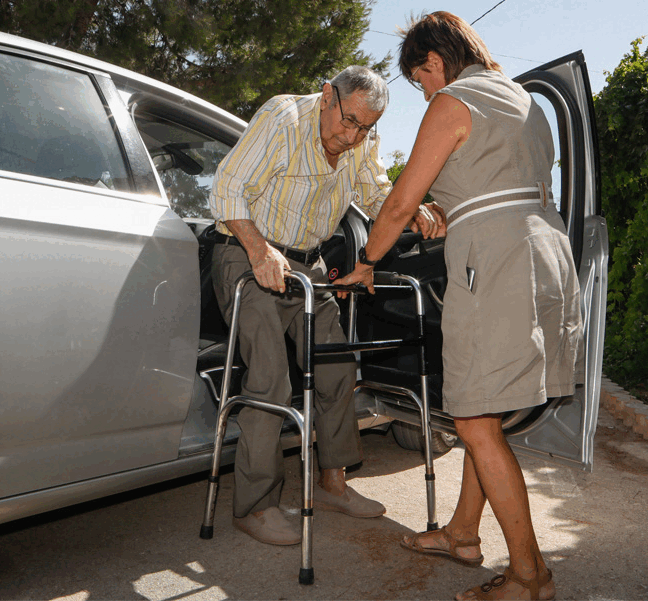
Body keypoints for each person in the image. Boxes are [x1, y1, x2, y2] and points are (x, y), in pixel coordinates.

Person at [335, 12, 582, 601]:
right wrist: (454, 211)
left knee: (472, 419)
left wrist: (366, 262)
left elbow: (400, 204)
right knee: (486, 410)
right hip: (548, 252)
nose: (425, 92)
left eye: (421, 79)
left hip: (497, 265)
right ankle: (463, 534)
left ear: (435, 61)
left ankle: (530, 577)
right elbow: (497, 187)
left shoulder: (453, 101)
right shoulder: (524, 100)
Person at [207, 65, 443, 547]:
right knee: (270, 375)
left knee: (337, 368)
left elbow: (376, 195)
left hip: (307, 266)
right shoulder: (283, 117)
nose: (351, 135)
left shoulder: (361, 142)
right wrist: (259, 250)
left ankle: (333, 484)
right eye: (348, 120)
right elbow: (226, 190)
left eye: (365, 128)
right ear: (326, 95)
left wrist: (412, 210)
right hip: (247, 255)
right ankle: (255, 506)